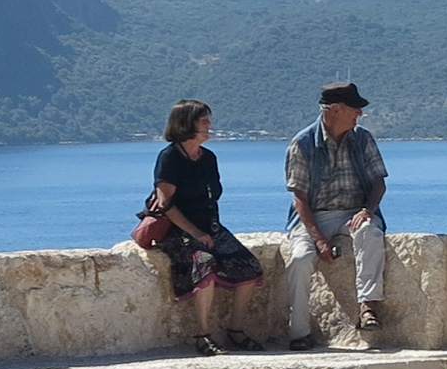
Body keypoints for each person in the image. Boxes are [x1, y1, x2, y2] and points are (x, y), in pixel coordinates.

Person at [146, 100, 267, 353]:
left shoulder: (208, 158)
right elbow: (165, 203)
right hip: (178, 231)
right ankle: (202, 335)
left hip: (210, 228)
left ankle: (235, 330)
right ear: (186, 124)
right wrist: (195, 232)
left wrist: (208, 231)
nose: (209, 125)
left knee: (250, 267)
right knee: (205, 264)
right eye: (204, 121)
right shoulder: (169, 158)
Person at [284, 79, 390, 346]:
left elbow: (379, 182)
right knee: (300, 259)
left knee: (369, 232)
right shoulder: (303, 144)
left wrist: (368, 210)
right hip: (313, 215)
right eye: (355, 108)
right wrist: (318, 238)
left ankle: (367, 307)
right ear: (335, 109)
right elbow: (300, 198)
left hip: (354, 210)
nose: (360, 114)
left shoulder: (363, 139)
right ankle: (298, 332)